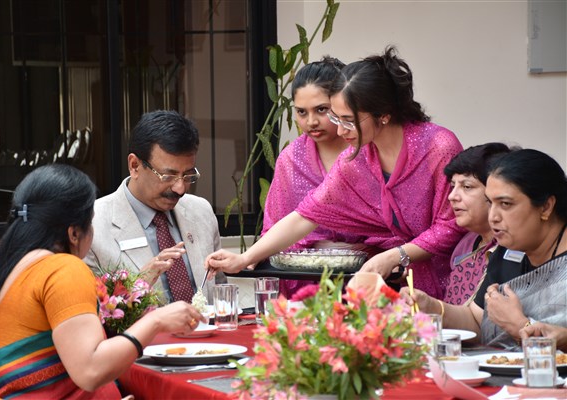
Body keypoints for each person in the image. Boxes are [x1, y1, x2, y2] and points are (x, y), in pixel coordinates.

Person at [206, 46, 465, 299]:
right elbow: (305, 215)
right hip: (393, 286)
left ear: (383, 115)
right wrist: (244, 258)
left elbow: (452, 225)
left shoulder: (438, 147)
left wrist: (394, 255)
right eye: (336, 118)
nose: (340, 131)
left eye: (348, 120)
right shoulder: (356, 157)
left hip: (447, 281)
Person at [0, 164, 204, 398]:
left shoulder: (9, 268)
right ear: (73, 233)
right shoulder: (62, 269)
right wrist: (156, 320)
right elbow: (90, 371)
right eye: (90, 223)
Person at [402, 149, 567, 350]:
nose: (493, 217)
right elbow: (476, 320)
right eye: (490, 202)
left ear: (546, 207)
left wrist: (520, 325)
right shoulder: (505, 252)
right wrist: (432, 307)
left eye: (505, 204)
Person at [85, 110, 225, 304]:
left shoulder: (201, 211)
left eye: (188, 175)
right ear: (134, 165)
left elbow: (219, 292)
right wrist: (139, 284)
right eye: (168, 176)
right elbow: (92, 310)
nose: (180, 188)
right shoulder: (92, 225)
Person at [262, 56, 367, 298]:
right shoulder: (291, 159)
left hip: (370, 279)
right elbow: (274, 230)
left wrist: (358, 249)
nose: (311, 122)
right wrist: (319, 247)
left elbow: (397, 227)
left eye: (321, 110)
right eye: (301, 112)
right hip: (306, 287)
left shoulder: (369, 152)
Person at [442, 142, 515, 305]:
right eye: (453, 186)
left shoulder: (514, 250)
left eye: (467, 186)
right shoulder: (465, 244)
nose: (452, 196)